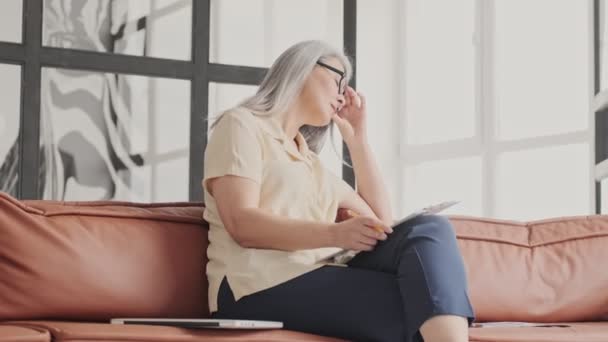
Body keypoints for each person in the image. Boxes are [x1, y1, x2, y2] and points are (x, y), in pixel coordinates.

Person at [202, 40, 474, 342]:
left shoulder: (308, 160)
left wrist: (358, 141)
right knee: (419, 307)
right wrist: (335, 234)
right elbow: (241, 223)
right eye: (338, 79)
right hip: (253, 286)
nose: (344, 95)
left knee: (429, 229)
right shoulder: (242, 125)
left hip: (315, 276)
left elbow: (385, 225)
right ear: (303, 68)